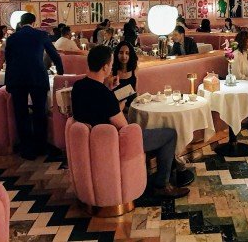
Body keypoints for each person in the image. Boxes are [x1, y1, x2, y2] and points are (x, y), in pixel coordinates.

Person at [70, 46, 191, 198]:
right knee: (169, 134)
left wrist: (109, 90)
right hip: (114, 145)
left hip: (91, 147)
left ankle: (149, 173)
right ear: (106, 67)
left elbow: (92, 108)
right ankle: (162, 185)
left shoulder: (78, 87)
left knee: (151, 133)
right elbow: (124, 128)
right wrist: (118, 105)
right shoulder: (104, 96)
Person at [3, 12, 63, 158]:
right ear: (34, 22)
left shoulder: (11, 38)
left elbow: (8, 62)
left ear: (21, 23)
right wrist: (61, 73)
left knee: (21, 113)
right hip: (37, 76)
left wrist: (8, 82)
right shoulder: (41, 35)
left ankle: (26, 148)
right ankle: (41, 146)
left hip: (17, 78)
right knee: (39, 112)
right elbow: (54, 55)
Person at [111, 41, 139, 107]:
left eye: (127, 53)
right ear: (117, 54)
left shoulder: (134, 69)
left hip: (132, 107)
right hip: (117, 109)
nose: (124, 56)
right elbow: (109, 95)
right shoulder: (112, 71)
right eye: (121, 53)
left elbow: (135, 91)